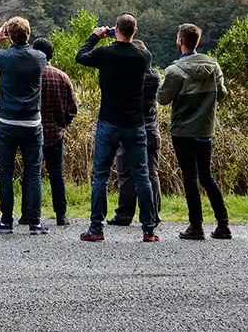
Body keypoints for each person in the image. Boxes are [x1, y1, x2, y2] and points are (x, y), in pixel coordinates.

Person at [77, 15, 160, 242]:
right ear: (135, 31)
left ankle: (96, 228)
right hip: (135, 123)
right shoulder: (143, 56)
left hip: (109, 120)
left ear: (116, 29)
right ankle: (149, 229)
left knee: (101, 176)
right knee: (142, 176)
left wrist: (96, 36)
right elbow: (134, 49)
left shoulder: (105, 53)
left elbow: (80, 56)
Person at [159, 22, 232, 240]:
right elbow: (222, 94)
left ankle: (196, 226)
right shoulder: (214, 67)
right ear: (197, 41)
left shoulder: (174, 71)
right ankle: (223, 224)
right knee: (206, 176)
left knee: (190, 177)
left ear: (180, 40)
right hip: (205, 129)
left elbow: (162, 99)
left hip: (182, 131)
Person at [0, 16, 49, 234]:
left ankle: (6, 220)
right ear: (28, 34)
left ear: (9, 35)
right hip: (32, 122)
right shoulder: (40, 57)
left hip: (8, 122)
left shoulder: (3, 57)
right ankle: (35, 222)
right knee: (33, 173)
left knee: (6, 173)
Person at [106, 38, 162, 230]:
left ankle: (124, 214)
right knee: (151, 173)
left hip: (130, 127)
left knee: (126, 174)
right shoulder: (155, 77)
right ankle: (153, 214)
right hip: (151, 129)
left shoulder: (129, 77)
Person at [32, 37, 78, 228]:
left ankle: (27, 214)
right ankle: (61, 215)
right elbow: (72, 109)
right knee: (57, 174)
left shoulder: (29, 77)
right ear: (51, 55)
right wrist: (62, 124)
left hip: (32, 131)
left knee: (31, 173)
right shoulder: (62, 77)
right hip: (56, 133)